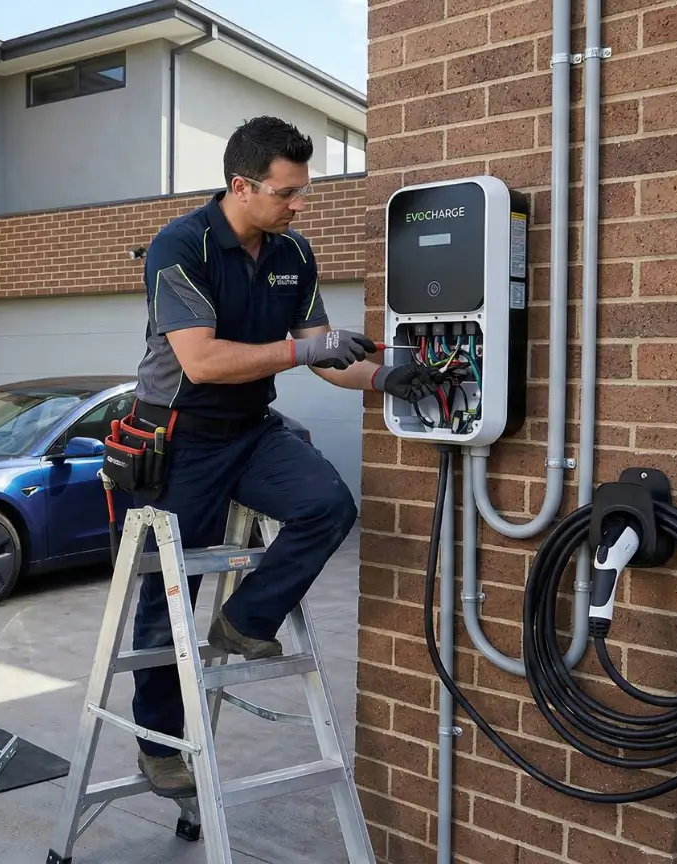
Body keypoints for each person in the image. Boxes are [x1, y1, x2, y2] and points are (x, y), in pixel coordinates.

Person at [120, 115, 443, 798]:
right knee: (166, 595)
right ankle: (158, 743)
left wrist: (385, 377)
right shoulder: (179, 248)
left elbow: (325, 352)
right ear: (242, 186)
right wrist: (305, 350)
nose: (298, 205)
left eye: (301, 192)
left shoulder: (292, 254)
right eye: (286, 192)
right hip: (178, 437)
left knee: (327, 506)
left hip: (250, 428)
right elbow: (202, 362)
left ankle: (246, 619)